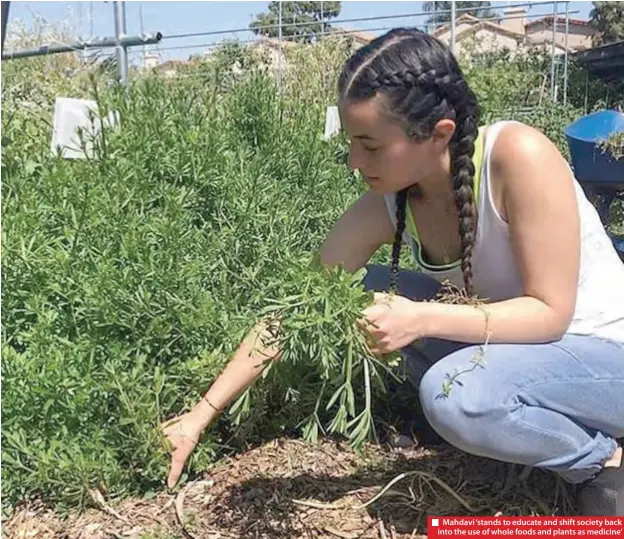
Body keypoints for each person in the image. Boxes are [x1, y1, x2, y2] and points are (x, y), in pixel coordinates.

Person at [161, 28, 624, 516]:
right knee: (360, 291)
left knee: (459, 398)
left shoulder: (517, 157)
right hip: (531, 355)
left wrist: (420, 319)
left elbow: (550, 315)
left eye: (371, 146)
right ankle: (500, 423)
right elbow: (300, 307)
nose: (354, 162)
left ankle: (601, 461)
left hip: (604, 353)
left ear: (439, 133)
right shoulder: (392, 199)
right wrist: (197, 417)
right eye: (352, 143)